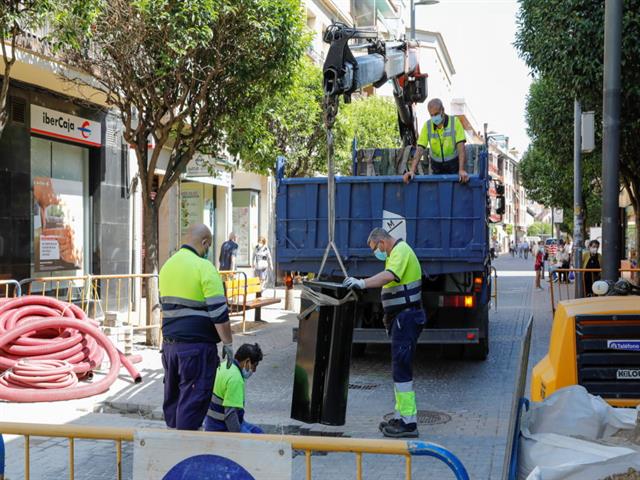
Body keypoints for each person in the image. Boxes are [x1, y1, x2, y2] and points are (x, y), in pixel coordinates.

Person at [343, 228, 425, 438]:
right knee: (398, 368)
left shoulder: (400, 251)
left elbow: (389, 276)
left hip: (406, 318)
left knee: (402, 369)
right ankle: (400, 416)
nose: (376, 253)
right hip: (403, 317)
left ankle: (409, 423)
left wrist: (362, 282)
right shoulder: (395, 252)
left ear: (382, 241)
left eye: (375, 248)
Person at [159, 224, 234, 430]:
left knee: (174, 404)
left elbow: (164, 307)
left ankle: (171, 450)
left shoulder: (167, 266)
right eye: (208, 246)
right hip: (196, 350)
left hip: (170, 348)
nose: (208, 250)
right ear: (204, 243)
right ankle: (185, 453)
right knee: (192, 405)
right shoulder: (204, 267)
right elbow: (219, 314)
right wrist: (228, 343)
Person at [402, 98, 469, 184]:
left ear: (443, 110)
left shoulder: (455, 122)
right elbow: (420, 149)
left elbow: (461, 147)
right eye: (432, 115)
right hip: (436, 166)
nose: (434, 117)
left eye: (436, 114)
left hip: (454, 165)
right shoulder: (427, 126)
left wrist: (461, 170)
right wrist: (412, 171)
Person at [204, 343, 264, 433]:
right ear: (247, 361)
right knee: (255, 441)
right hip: (221, 427)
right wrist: (238, 439)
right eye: (254, 366)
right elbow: (230, 415)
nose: (254, 370)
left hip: (211, 422)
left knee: (259, 433)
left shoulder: (225, 365)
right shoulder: (235, 379)